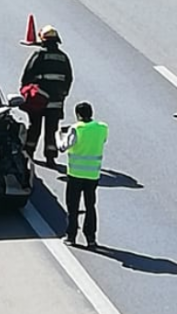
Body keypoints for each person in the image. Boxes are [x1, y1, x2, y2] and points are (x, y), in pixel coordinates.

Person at [20, 25, 73, 168]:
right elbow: (69, 79)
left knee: (34, 127)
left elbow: (27, 76)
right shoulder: (63, 57)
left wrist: (26, 92)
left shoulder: (39, 55)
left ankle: (29, 153)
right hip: (56, 102)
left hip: (38, 101)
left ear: (43, 40)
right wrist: (62, 95)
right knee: (52, 130)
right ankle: (50, 157)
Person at [59, 101, 108, 249]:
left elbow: (63, 147)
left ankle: (71, 236)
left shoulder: (76, 128)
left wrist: (60, 135)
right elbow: (102, 140)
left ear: (78, 115)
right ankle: (91, 238)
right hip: (93, 174)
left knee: (73, 207)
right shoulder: (102, 127)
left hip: (75, 174)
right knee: (90, 206)